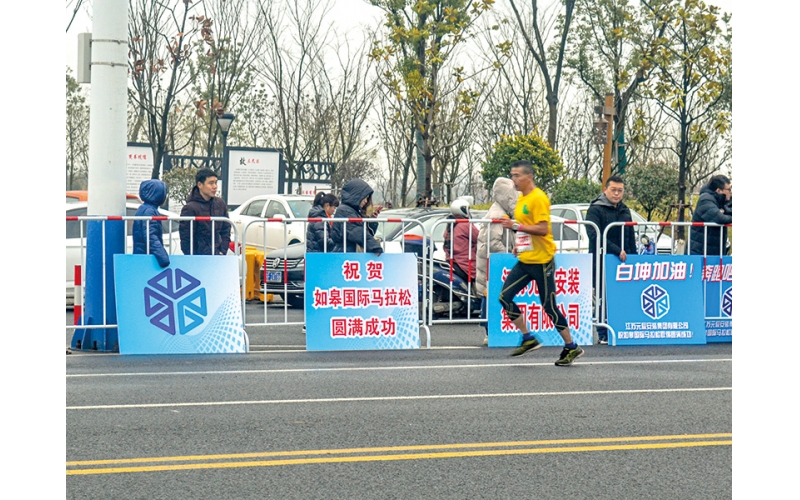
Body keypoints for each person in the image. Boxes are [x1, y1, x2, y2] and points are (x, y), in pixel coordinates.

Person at [498, 160, 584, 366]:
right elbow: (526, 226)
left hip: (543, 261)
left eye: (517, 175)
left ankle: (571, 346)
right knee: (504, 297)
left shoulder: (539, 198)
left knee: (549, 307)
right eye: (512, 175)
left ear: (529, 177)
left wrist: (516, 226)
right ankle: (528, 338)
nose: (513, 180)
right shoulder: (522, 198)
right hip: (526, 260)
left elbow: (543, 229)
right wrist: (519, 244)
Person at [585, 175, 638, 345]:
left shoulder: (625, 210)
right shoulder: (595, 209)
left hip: (623, 260)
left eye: (620, 191)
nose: (616, 194)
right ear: (605, 190)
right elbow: (594, 234)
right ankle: (603, 333)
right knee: (603, 296)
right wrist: (616, 250)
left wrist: (634, 257)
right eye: (613, 190)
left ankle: (621, 328)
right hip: (602, 259)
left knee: (622, 295)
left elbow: (630, 235)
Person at [475, 177, 517, 346]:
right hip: (494, 264)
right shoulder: (497, 215)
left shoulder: (502, 213)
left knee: (493, 293)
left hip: (494, 263)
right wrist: (508, 256)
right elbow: (493, 243)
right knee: (490, 293)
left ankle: (492, 329)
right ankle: (489, 329)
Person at [179, 168, 231, 256]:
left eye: (216, 182)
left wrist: (222, 251)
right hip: (198, 258)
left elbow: (226, 230)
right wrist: (193, 256)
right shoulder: (190, 208)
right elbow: (186, 238)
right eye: (211, 183)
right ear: (200, 185)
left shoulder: (220, 204)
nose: (215, 186)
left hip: (218, 255)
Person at [329, 179, 383, 255]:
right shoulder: (345, 211)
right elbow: (357, 232)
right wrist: (375, 247)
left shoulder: (352, 211)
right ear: (357, 196)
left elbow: (364, 232)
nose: (366, 201)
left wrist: (371, 221)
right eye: (365, 197)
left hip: (348, 253)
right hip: (345, 254)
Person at [689, 175, 732, 256]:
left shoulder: (722, 199)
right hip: (700, 251)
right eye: (729, 189)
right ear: (718, 190)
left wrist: (725, 210)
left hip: (714, 249)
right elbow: (720, 218)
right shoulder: (705, 199)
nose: (731, 192)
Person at [133, 179, 170, 268]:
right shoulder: (149, 211)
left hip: (142, 254)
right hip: (147, 257)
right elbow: (150, 235)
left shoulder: (145, 209)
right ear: (158, 195)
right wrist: (163, 258)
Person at [442, 199, 479, 284]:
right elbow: (480, 238)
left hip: (452, 263)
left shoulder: (450, 225)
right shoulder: (465, 225)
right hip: (466, 266)